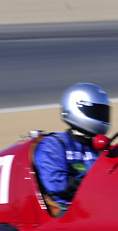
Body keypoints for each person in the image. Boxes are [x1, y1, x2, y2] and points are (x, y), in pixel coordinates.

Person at [34, 82, 111, 214]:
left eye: (103, 112)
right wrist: (96, 184)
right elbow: (57, 184)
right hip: (67, 212)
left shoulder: (98, 148)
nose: (102, 117)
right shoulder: (54, 144)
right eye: (96, 111)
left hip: (97, 207)